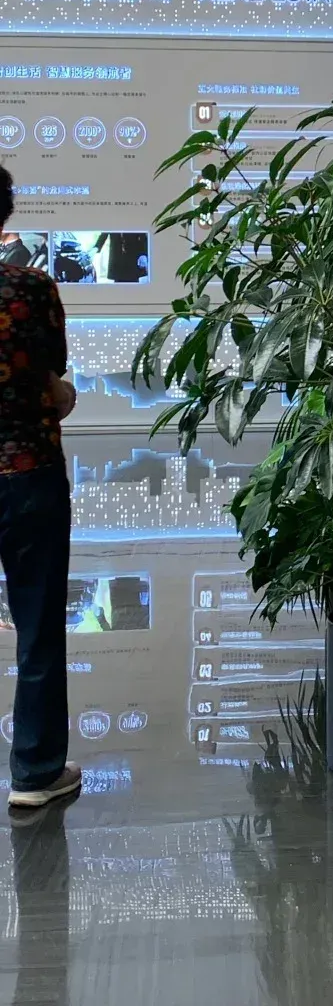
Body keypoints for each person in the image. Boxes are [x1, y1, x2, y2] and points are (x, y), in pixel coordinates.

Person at [0, 167, 79, 809]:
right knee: (38, 625)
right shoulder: (30, 288)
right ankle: (34, 773)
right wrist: (62, 396)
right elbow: (53, 383)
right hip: (28, 477)